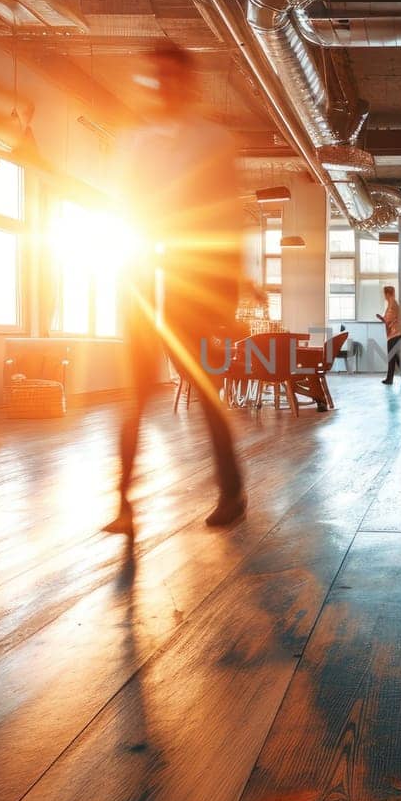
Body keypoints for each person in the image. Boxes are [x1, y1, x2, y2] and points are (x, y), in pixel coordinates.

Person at [105, 41, 246, 536]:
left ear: (187, 82)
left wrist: (223, 298)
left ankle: (232, 491)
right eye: (155, 76)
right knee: (136, 394)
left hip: (192, 281)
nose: (162, 84)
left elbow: (226, 220)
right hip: (142, 280)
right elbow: (120, 207)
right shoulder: (130, 140)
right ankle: (124, 503)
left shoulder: (211, 141)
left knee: (205, 391)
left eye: (171, 76)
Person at [377, 285, 401, 384]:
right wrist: (383, 318)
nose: (384, 296)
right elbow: (389, 318)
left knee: (391, 357)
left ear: (388, 293)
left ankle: (390, 379)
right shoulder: (392, 303)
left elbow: (388, 319)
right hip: (394, 333)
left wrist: (382, 318)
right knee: (395, 356)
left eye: (384, 294)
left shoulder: (392, 304)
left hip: (394, 334)